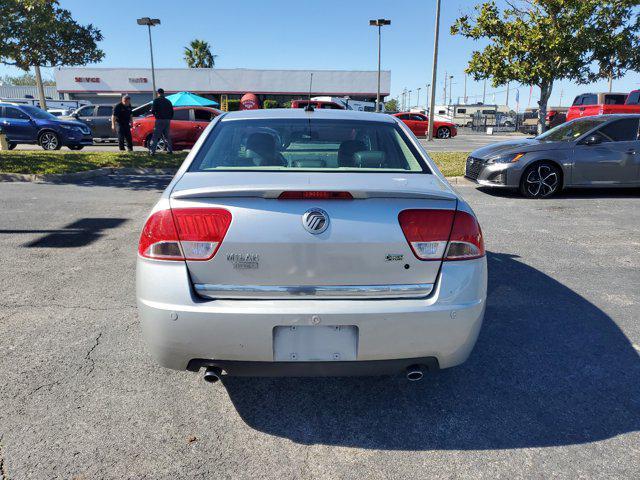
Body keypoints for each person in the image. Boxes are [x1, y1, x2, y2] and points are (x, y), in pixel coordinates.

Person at [149, 88, 174, 155]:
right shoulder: (168, 101)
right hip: (167, 120)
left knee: (155, 136)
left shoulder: (156, 100)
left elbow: (153, 110)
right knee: (167, 136)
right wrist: (169, 118)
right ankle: (170, 150)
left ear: (158, 93)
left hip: (159, 120)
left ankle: (152, 152)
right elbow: (172, 112)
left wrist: (156, 115)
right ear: (163, 93)